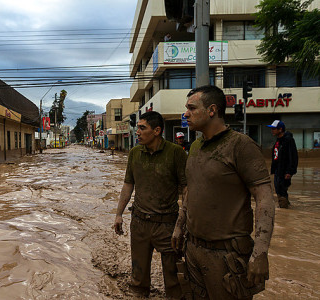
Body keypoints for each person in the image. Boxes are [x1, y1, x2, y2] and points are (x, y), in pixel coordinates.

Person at [172, 85, 275, 299]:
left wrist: (260, 252)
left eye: (191, 108)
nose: (186, 113)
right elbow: (190, 192)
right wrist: (179, 226)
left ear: (212, 110)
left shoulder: (240, 145)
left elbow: (264, 198)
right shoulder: (195, 147)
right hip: (193, 250)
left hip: (227, 256)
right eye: (186, 108)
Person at [114, 111, 187, 298]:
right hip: (139, 223)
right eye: (137, 127)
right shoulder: (134, 153)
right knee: (138, 280)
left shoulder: (176, 153)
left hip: (167, 225)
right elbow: (128, 184)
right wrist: (119, 214)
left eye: (141, 128)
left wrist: (182, 224)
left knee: (174, 281)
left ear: (157, 131)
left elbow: (186, 189)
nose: (136, 132)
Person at [267, 120, 298, 208]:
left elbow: (293, 157)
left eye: (274, 129)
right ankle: (285, 208)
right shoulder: (278, 140)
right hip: (278, 170)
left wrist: (290, 171)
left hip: (284, 171)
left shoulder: (288, 140)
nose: (272, 130)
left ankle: (285, 209)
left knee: (282, 190)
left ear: (280, 129)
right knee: (278, 190)